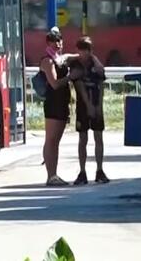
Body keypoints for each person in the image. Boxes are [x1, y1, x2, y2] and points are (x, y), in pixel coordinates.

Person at [40, 26, 81, 187]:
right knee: (51, 140)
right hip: (53, 104)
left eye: (59, 40)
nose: (57, 43)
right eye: (53, 41)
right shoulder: (48, 61)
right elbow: (55, 84)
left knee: (54, 140)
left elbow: (72, 57)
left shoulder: (60, 58)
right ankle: (51, 176)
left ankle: (53, 174)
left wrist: (84, 54)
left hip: (62, 103)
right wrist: (71, 77)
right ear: (48, 43)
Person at [69, 36, 109, 185]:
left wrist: (98, 106)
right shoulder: (76, 65)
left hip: (96, 102)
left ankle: (100, 170)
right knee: (83, 138)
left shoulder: (96, 65)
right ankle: (82, 171)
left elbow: (101, 84)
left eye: (85, 50)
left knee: (98, 137)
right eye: (80, 50)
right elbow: (79, 86)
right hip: (82, 106)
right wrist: (88, 106)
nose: (82, 54)